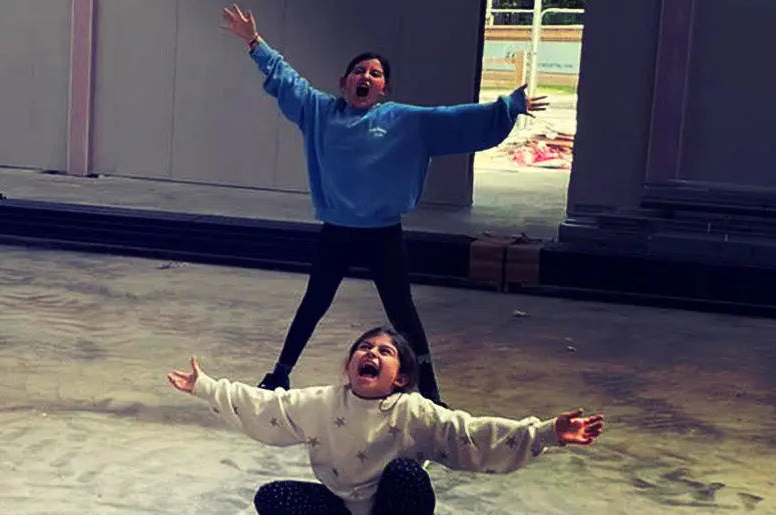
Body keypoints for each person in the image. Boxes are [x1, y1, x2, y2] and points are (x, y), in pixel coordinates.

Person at [219, 4, 549, 405]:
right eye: (359, 71)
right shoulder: (319, 112)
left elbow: (455, 119)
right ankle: (280, 375)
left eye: (375, 74)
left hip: (382, 235)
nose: (366, 76)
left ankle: (429, 390)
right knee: (312, 305)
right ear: (344, 82)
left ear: (384, 90)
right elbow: (288, 81)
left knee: (403, 314)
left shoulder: (404, 121)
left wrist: (508, 107)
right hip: (337, 233)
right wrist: (253, 42)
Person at [166, 325, 605, 515]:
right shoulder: (321, 402)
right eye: (364, 347)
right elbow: (267, 407)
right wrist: (207, 387)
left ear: (402, 377)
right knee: (270, 497)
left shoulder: (415, 412)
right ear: (350, 363)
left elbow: (471, 434)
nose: (371, 354)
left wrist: (547, 432)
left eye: (385, 351)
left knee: (407, 475)